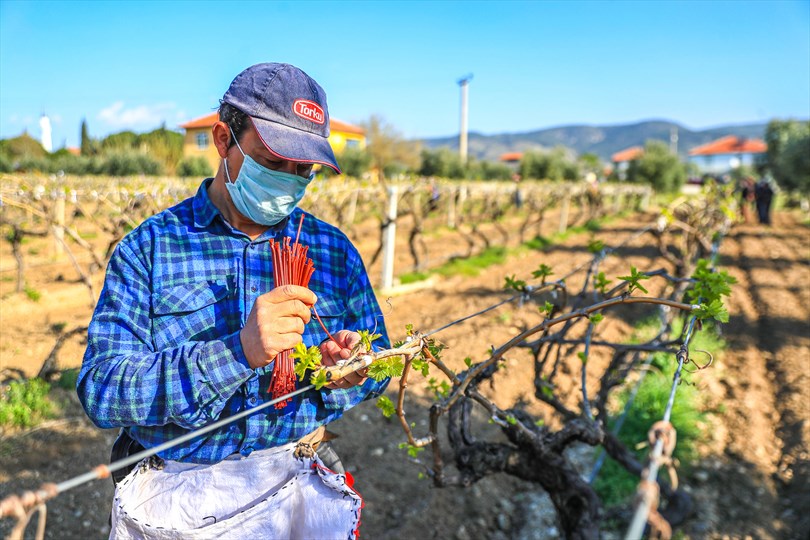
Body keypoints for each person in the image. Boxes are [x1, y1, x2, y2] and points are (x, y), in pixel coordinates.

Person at [77, 63, 389, 539]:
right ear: (224, 139)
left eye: (302, 169)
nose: (288, 181)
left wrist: (349, 369)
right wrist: (236, 353)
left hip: (298, 478)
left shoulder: (333, 251)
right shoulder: (150, 249)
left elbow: (376, 364)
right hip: (176, 497)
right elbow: (102, 390)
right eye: (272, 162)